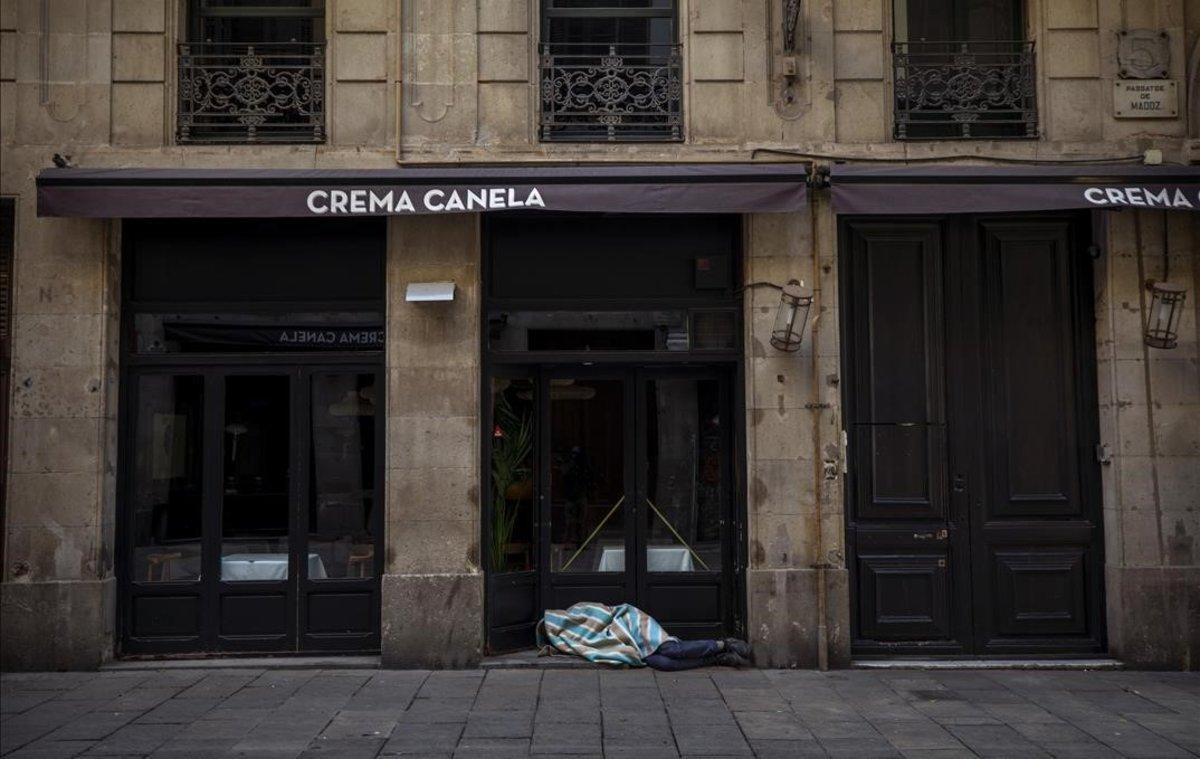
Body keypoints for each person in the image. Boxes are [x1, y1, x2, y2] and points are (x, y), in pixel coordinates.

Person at [538, 601, 752, 670]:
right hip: (628, 642)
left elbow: (603, 614)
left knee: (670, 650)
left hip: (630, 622)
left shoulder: (578, 611)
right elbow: (586, 643)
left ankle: (724, 644)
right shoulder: (570, 639)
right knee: (662, 663)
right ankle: (718, 659)